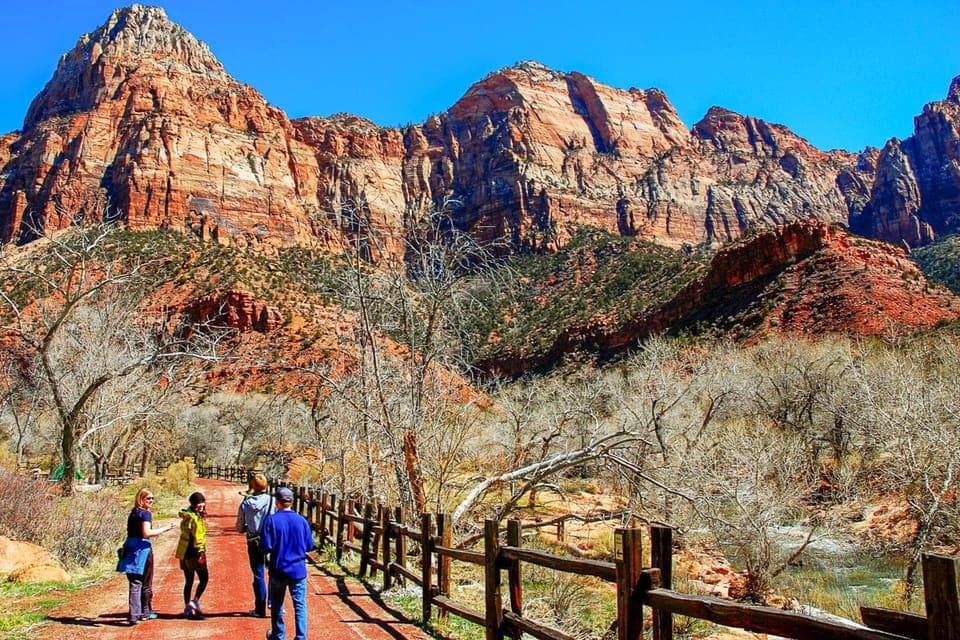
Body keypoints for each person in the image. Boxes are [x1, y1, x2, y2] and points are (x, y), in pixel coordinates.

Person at [262, 486, 314, 640]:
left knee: (277, 604)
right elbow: (310, 545)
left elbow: (266, 546)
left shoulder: (271, 520)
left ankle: (278, 634)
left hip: (278, 569)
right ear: (291, 502)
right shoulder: (301, 521)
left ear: (277, 502)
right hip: (298, 570)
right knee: (299, 604)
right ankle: (301, 636)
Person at [116, 488, 172, 625]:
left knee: (134, 582)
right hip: (142, 549)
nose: (151, 501)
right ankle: (144, 613)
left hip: (130, 547)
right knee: (145, 582)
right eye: (148, 499)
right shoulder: (145, 514)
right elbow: (146, 533)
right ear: (141, 499)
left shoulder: (133, 513)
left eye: (152, 498)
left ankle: (134, 614)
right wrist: (165, 529)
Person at [236, 472, 273, 617]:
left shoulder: (246, 503)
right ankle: (273, 603)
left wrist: (246, 527)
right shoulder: (272, 501)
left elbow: (239, 526)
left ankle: (259, 608)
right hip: (270, 540)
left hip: (253, 541)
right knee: (274, 573)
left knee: (258, 574)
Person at [176, 491, 209, 617]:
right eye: (199, 504)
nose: (201, 506)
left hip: (184, 552)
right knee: (204, 578)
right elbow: (198, 537)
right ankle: (194, 601)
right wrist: (201, 552)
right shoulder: (195, 518)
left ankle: (187, 608)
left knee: (188, 580)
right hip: (195, 552)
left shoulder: (186, 516)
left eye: (202, 503)